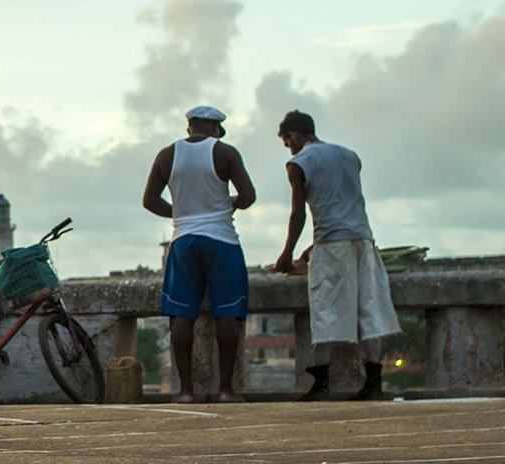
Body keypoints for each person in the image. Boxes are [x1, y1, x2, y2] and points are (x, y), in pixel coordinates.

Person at [271, 110, 399, 401]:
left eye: (288, 142)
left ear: (294, 136)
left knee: (326, 308)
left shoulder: (298, 162)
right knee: (369, 310)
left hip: (332, 244)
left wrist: (287, 253)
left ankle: (323, 380)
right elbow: (342, 204)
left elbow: (299, 214)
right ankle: (374, 382)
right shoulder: (350, 156)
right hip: (364, 240)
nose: (289, 148)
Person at [141, 106, 257, 403]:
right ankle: (227, 390)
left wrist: (179, 214)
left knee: (182, 315)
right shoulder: (226, 153)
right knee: (227, 314)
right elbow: (248, 197)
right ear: (216, 129)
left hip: (183, 240)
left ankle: (185, 392)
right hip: (221, 240)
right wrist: (229, 203)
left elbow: (149, 201)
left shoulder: (167, 155)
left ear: (189, 127)